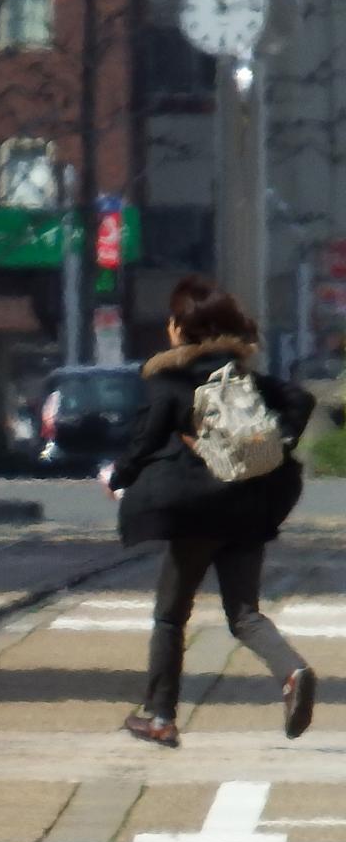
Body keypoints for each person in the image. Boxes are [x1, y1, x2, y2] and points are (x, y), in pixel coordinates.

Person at [105, 276, 316, 748]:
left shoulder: (173, 379)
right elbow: (302, 399)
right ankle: (292, 670)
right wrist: (277, 443)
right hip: (250, 507)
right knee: (244, 614)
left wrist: (118, 477)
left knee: (170, 616)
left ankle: (160, 716)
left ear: (182, 327)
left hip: (198, 512)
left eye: (172, 320)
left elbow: (145, 439)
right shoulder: (244, 378)